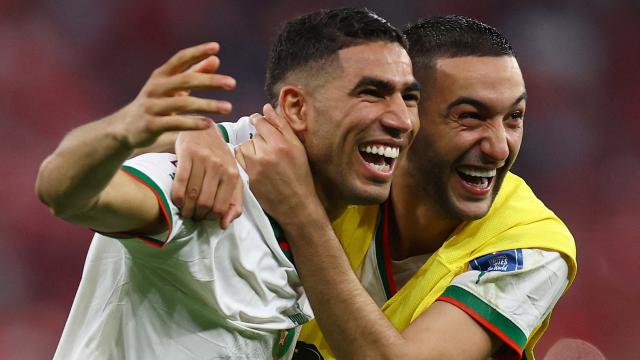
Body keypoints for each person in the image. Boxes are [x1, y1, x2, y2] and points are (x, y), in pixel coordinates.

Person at [178, 15, 577, 359]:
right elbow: (167, 139)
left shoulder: (532, 243)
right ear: (407, 110)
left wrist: (303, 216)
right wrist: (193, 135)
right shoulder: (336, 161)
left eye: (515, 117)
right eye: (470, 117)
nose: (498, 147)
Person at [35, 8, 420, 359]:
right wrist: (126, 129)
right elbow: (63, 193)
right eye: (372, 93)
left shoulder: (341, 207)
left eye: (409, 97)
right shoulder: (205, 184)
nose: (401, 119)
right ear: (297, 108)